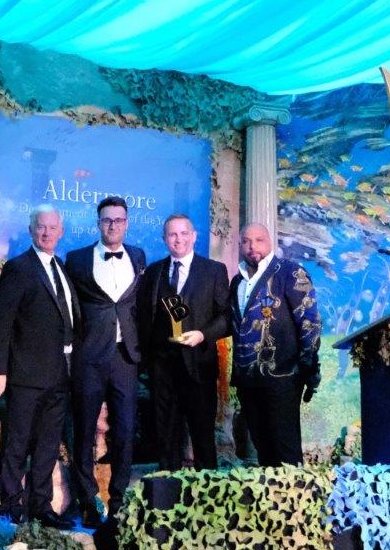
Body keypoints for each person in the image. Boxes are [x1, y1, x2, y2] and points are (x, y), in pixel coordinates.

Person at [0, 204, 79, 529]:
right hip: (25, 375)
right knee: (18, 443)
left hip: (59, 375)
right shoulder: (19, 268)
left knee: (47, 446)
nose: (46, 232)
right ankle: (10, 507)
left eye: (52, 227)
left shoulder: (61, 268)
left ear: (60, 232)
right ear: (31, 230)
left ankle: (41, 507)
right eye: (41, 226)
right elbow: (1, 322)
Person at [65, 197, 146, 526]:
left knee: (125, 430)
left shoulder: (138, 256)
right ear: (98, 223)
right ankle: (87, 501)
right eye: (107, 220)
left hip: (125, 357)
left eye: (118, 220)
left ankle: (119, 500)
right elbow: (68, 308)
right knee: (84, 431)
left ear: (126, 223)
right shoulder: (77, 260)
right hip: (89, 357)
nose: (113, 225)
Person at [139, 214, 230, 471]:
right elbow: (144, 318)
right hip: (162, 368)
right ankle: (168, 489)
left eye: (183, 233)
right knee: (166, 436)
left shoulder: (214, 271)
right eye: (172, 234)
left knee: (203, 436)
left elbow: (227, 316)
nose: (178, 239)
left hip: (199, 366)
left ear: (194, 236)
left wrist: (202, 334)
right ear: (164, 239)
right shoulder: (153, 272)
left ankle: (207, 489)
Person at [229, 223, 322, 466]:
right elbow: (233, 324)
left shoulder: (291, 273)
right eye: (246, 241)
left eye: (259, 240)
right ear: (240, 245)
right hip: (248, 381)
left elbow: (309, 323)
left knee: (285, 450)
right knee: (263, 449)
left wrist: (308, 368)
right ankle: (271, 491)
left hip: (283, 377)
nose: (252, 246)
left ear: (270, 242)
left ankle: (294, 492)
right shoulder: (237, 281)